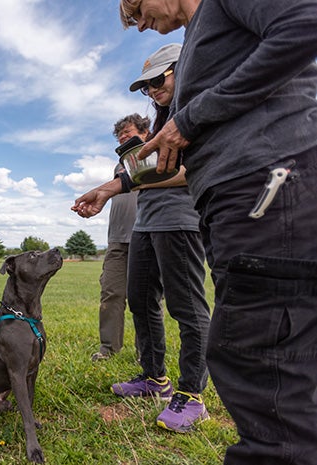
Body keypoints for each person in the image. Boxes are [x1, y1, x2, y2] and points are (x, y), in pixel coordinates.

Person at [121, 1, 317, 463]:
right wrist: (134, 169)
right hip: (239, 198)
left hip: (269, 185)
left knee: (262, 360)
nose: (141, 24)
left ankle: (197, 399)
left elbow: (303, 23)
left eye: (138, 9)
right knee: (258, 356)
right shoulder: (198, 38)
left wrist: (186, 121)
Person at [72, 43, 212, 433]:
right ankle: (154, 378)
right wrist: (106, 189)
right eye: (145, 86)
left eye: (156, 80)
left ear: (181, 70)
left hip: (179, 220)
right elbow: (139, 176)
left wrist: (112, 187)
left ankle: (192, 394)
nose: (150, 90)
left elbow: (195, 168)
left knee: (186, 307)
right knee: (140, 301)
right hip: (146, 224)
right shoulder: (165, 114)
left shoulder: (194, 108)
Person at [91, 115, 142, 362]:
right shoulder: (120, 164)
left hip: (146, 235)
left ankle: (147, 353)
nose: (122, 136)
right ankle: (109, 349)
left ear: (144, 131)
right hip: (117, 239)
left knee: (145, 298)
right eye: (119, 134)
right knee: (111, 293)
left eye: (127, 131)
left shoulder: (153, 152)